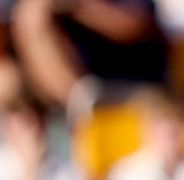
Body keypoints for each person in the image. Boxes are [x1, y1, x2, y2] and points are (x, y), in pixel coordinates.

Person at [9, 0, 167, 115]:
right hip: (80, 90)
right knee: (31, 14)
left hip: (138, 82)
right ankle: (81, 106)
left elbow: (135, 26)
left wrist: (78, 6)